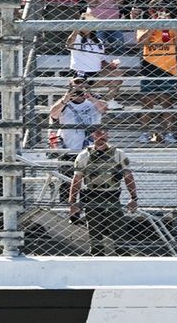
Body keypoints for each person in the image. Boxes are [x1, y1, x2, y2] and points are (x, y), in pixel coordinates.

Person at [68, 125, 138, 255]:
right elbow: (76, 180)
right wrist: (72, 203)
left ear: (108, 135)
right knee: (95, 234)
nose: (101, 136)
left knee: (119, 231)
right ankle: (97, 259)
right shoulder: (84, 156)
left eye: (104, 133)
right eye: (97, 133)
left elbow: (128, 176)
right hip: (92, 196)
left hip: (111, 195)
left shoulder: (118, 154)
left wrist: (133, 198)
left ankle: (123, 259)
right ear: (92, 136)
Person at [49, 76, 108, 151]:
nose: (80, 87)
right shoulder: (64, 102)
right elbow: (53, 114)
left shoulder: (94, 98)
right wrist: (65, 100)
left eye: (82, 84)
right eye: (76, 84)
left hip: (93, 146)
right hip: (70, 146)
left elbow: (104, 109)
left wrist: (91, 98)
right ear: (71, 87)